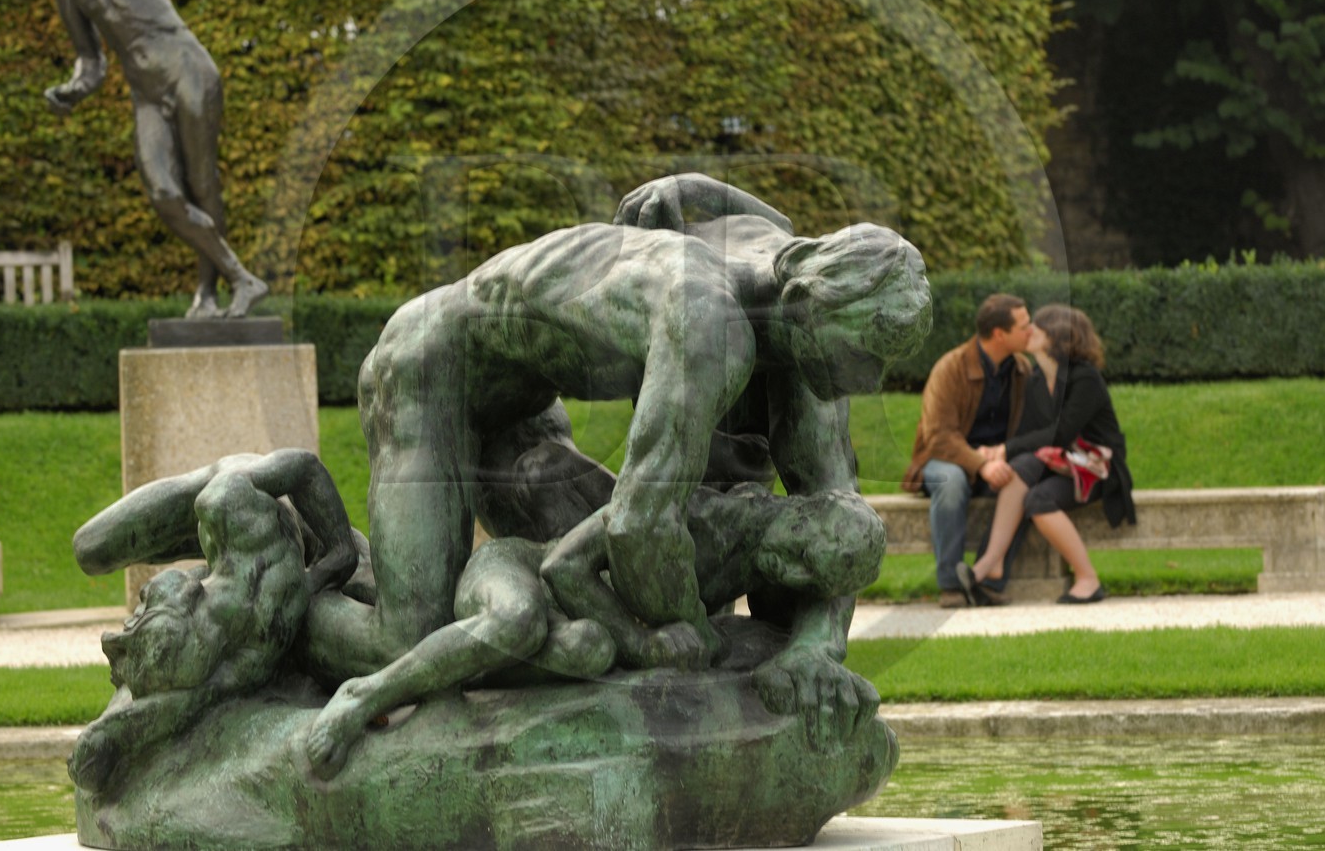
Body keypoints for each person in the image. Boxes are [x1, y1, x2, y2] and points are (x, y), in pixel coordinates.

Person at [337, 173, 931, 729]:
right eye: (866, 353)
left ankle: (437, 599)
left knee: (568, 602)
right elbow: (639, 524)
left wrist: (815, 648)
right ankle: (313, 585)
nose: (871, 379)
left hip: (529, 416)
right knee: (409, 637)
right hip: (428, 371)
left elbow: (837, 512)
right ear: (806, 303)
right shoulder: (708, 320)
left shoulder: (803, 307)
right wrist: (687, 636)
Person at [304, 483, 887, 779]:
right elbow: (562, 566)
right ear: (801, 516)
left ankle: (422, 657)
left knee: (589, 648)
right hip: (520, 571)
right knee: (518, 621)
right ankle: (364, 694)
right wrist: (643, 644)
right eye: (803, 559)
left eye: (810, 579)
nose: (792, 578)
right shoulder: (690, 512)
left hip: (579, 626)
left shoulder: (763, 552)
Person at [23, 0, 267, 318]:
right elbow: (91, 63)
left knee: (202, 182)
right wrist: (72, 90)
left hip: (188, 72)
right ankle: (241, 278)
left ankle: (209, 294)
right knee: (163, 193)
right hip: (147, 97)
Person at [66, 449, 360, 791]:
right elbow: (194, 697)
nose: (144, 592)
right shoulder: (254, 645)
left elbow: (303, 466)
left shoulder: (222, 500)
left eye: (144, 598)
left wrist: (341, 552)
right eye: (148, 600)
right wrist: (338, 555)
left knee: (90, 546)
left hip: (231, 504)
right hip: (250, 533)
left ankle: (322, 537)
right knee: (90, 549)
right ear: (190, 594)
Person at [962, 304, 1136, 604]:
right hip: (1061, 467)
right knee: (1020, 471)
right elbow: (1027, 436)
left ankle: (1088, 580)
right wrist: (999, 455)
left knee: (1036, 495)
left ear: (1056, 338)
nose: (1028, 332)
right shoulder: (1038, 381)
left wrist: (1006, 449)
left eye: (1036, 329)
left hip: (1097, 469)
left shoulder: (1085, 378)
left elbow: (1061, 434)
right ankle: (992, 561)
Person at [900, 294, 1033, 607]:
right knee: (952, 481)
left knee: (1026, 479)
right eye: (1025, 325)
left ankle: (985, 578)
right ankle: (951, 587)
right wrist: (980, 463)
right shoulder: (950, 368)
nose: (1032, 330)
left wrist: (1001, 454)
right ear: (1000, 334)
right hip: (941, 460)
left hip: (996, 460)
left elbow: (1030, 429)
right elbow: (938, 436)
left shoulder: (1023, 370)